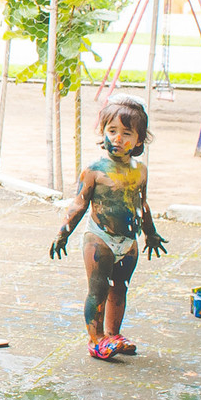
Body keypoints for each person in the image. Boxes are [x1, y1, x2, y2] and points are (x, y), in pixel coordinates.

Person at [49, 93, 168, 360]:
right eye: (112, 131)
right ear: (102, 133)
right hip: (99, 238)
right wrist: (63, 232)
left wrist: (151, 233)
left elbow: (142, 205)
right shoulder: (94, 170)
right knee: (98, 288)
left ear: (139, 140)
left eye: (127, 133)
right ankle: (96, 339)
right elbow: (79, 204)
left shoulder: (141, 171)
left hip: (128, 241)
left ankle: (114, 334)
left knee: (120, 287)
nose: (118, 138)